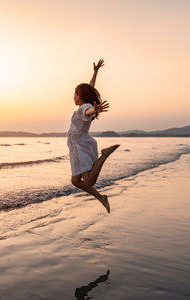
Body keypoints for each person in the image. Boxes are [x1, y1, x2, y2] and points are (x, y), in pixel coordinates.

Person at [67, 59, 119, 213]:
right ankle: (101, 198)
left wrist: (94, 111)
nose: (73, 97)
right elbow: (90, 89)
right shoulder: (87, 104)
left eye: (74, 94)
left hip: (80, 146)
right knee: (75, 180)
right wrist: (95, 72)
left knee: (89, 180)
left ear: (80, 95)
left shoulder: (85, 108)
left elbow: (87, 112)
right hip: (77, 145)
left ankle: (104, 155)